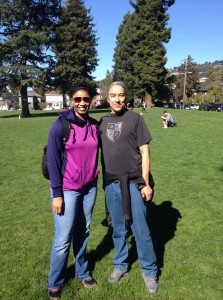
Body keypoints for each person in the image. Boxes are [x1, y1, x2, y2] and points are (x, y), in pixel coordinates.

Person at [99, 81, 158, 294]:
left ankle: (150, 271)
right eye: (113, 95)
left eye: (121, 95)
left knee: (140, 229)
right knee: (118, 229)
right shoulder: (102, 122)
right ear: (108, 99)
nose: (117, 99)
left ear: (126, 97)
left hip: (135, 183)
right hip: (112, 184)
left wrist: (145, 183)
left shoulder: (135, 119)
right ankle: (120, 265)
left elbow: (145, 152)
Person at [46, 82, 99, 300]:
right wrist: (57, 193)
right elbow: (51, 160)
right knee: (63, 239)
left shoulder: (95, 125)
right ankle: (55, 282)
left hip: (89, 188)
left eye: (86, 99)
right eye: (78, 99)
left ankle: (82, 272)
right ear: (71, 101)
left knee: (83, 232)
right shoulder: (60, 125)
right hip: (66, 189)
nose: (82, 103)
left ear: (91, 101)